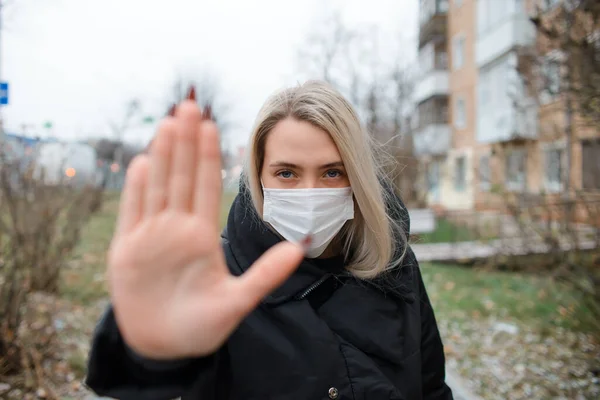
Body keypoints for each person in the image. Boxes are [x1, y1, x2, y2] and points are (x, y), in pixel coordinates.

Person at [85, 80, 454, 400]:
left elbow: (431, 388)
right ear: (259, 178)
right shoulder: (219, 281)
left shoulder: (393, 263)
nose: (310, 192)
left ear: (356, 177)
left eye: (331, 172)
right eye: (287, 173)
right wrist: (149, 353)